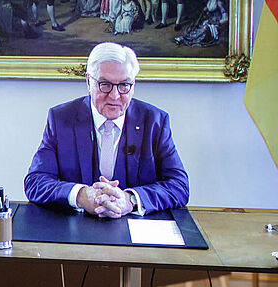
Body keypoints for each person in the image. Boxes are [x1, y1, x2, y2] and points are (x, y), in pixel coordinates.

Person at [23, 42, 189, 217]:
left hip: (137, 232)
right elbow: (35, 182)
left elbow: (179, 186)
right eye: (105, 84)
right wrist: (80, 195)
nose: (115, 96)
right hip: (76, 233)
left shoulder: (155, 121)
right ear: (89, 82)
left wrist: (130, 199)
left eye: (124, 85)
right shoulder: (61, 119)